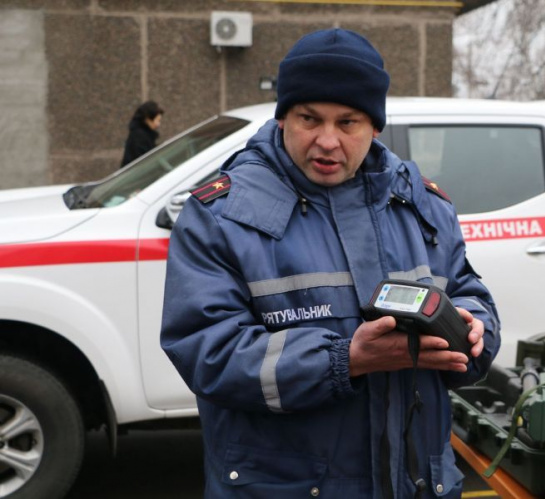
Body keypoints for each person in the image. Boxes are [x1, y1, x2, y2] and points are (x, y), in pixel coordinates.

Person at [161, 28, 500, 499]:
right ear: (283, 118)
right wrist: (344, 361)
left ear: (374, 126)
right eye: (309, 118)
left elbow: (470, 294)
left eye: (348, 122)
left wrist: (475, 330)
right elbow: (207, 352)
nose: (327, 141)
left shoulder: (422, 205)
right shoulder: (220, 216)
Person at [120, 100, 164, 167]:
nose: (158, 124)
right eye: (157, 120)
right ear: (147, 119)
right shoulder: (140, 137)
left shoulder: (141, 134)